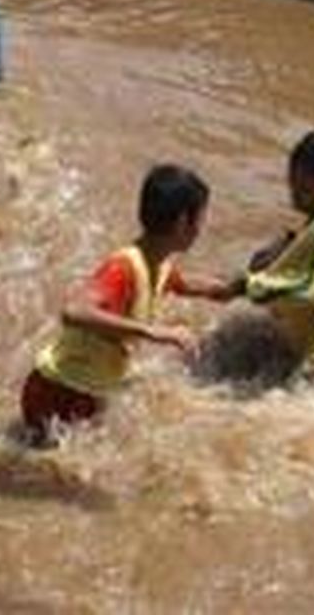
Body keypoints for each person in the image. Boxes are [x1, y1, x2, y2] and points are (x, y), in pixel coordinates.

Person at [20, 164, 233, 446]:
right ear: (183, 222)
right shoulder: (123, 268)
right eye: (202, 218)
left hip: (84, 389)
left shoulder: (158, 264)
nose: (201, 229)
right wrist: (154, 332)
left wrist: (240, 288)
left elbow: (186, 284)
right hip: (57, 392)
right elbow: (73, 311)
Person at [224, 129, 314, 383]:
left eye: (304, 189)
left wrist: (249, 287)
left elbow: (312, 289)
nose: (294, 194)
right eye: (292, 183)